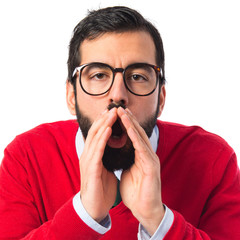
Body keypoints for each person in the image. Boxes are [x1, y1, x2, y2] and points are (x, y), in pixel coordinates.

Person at [0, 6, 240, 240]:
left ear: (161, 98)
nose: (118, 94)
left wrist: (157, 219)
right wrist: (84, 214)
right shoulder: (26, 157)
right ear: (72, 97)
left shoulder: (213, 159)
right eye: (98, 75)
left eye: (137, 77)